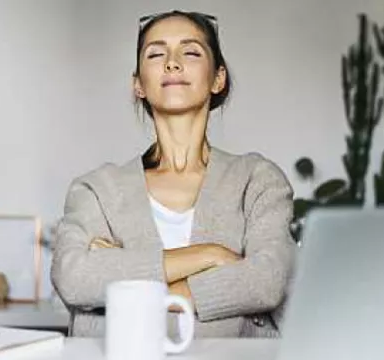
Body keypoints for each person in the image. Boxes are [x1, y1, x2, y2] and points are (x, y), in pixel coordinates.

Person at [50, 10, 297, 338]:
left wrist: (126, 276)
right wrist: (211, 255)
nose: (172, 62)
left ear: (218, 78)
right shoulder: (96, 189)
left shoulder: (258, 180)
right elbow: (75, 279)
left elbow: (267, 281)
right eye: (155, 53)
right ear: (138, 84)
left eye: (191, 52)